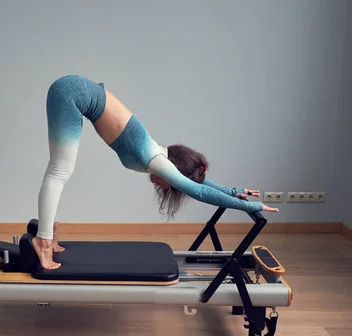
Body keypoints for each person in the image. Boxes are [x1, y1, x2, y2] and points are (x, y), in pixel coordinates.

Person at [34, 75, 278, 270]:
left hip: (76, 92)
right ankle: (43, 242)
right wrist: (251, 207)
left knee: (61, 171)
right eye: (170, 185)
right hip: (72, 93)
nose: (163, 186)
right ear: (174, 170)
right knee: (59, 172)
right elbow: (198, 191)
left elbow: (199, 184)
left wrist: (234, 192)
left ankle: (49, 234)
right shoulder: (157, 159)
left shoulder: (158, 156)